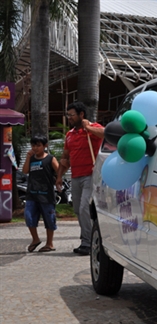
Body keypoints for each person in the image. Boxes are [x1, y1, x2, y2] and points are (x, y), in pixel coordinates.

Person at [56, 102, 104, 256]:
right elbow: (65, 157)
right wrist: (59, 176)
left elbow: (106, 134)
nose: (69, 118)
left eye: (72, 115)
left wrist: (88, 128)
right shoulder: (69, 135)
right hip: (75, 177)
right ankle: (90, 238)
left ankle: (88, 243)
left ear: (81, 114)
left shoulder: (93, 128)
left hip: (91, 175)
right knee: (78, 209)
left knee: (84, 208)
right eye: (68, 115)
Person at [23, 136, 60, 253]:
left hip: (46, 195)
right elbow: (25, 171)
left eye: (38, 145)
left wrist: (59, 180)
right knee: (28, 216)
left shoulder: (50, 159)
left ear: (45, 146)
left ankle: (50, 244)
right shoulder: (31, 158)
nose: (35, 148)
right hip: (32, 194)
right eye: (33, 145)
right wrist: (28, 157)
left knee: (49, 219)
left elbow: (59, 170)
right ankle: (35, 239)